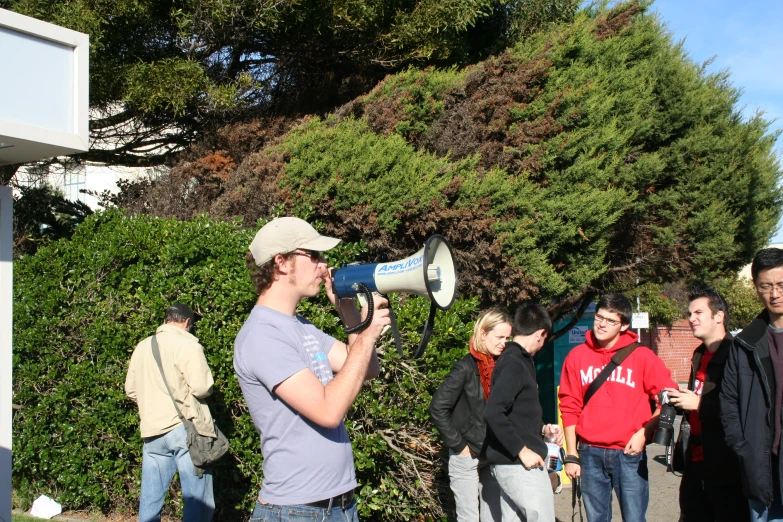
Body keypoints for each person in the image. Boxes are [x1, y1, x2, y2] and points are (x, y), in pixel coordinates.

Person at [233, 217, 390, 522]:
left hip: (340, 505)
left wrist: (346, 308)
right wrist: (369, 332)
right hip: (297, 510)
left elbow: (364, 366)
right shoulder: (262, 335)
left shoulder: (301, 328)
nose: (324, 265)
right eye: (314, 255)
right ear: (281, 263)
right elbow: (328, 411)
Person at [558, 293, 676, 522]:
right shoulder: (576, 356)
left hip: (628, 454)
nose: (602, 324)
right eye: (599, 317)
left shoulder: (643, 357)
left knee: (634, 518)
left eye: (611, 321)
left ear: (624, 325)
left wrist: (644, 433)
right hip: (589, 453)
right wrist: (571, 453)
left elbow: (667, 400)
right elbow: (569, 405)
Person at [125, 303, 216, 522]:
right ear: (186, 322)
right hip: (184, 429)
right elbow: (202, 387)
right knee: (197, 498)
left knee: (150, 499)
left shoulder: (143, 346)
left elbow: (131, 390)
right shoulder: (187, 345)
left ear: (166, 319)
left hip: (152, 430)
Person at [664, 289, 748, 522]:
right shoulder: (699, 354)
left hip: (725, 467)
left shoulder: (737, 355)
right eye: (690, 313)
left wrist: (699, 403)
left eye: (699, 312)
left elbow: (743, 412)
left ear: (719, 316)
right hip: (695, 462)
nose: (691, 319)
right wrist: (681, 401)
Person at [430, 308, 513, 522]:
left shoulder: (504, 367)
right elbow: (438, 407)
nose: (504, 343)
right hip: (468, 454)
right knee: (468, 518)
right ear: (483, 334)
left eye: (507, 337)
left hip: (494, 452)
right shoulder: (465, 368)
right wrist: (459, 446)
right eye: (499, 337)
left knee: (493, 517)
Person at [483, 302, 563, 522]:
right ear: (540, 334)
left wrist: (542, 428)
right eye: (544, 339)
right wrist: (522, 450)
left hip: (512, 465)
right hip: (520, 466)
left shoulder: (515, 361)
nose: (542, 345)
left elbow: (516, 413)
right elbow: (493, 412)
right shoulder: (514, 364)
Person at [721, 248, 783, 522]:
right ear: (756, 288)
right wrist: (743, 448)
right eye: (766, 286)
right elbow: (728, 402)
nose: (775, 294)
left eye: (781, 285)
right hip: (761, 467)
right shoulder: (745, 344)